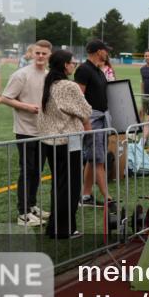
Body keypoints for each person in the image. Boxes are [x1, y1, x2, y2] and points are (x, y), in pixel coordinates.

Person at [37, 50, 92, 239]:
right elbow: (86, 109)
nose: (73, 66)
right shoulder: (69, 86)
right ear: (64, 65)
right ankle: (64, 228)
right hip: (68, 140)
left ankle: (56, 226)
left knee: (59, 184)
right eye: (72, 63)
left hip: (49, 140)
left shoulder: (48, 83)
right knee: (70, 186)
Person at [0, 40, 53, 227]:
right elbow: (5, 98)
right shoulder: (21, 75)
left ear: (49, 56)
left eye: (44, 54)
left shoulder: (49, 76)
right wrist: (26, 107)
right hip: (25, 131)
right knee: (27, 171)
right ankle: (22, 213)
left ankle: (31, 206)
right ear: (31, 54)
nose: (40, 56)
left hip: (44, 132)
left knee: (37, 171)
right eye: (37, 53)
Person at [75, 40, 112, 208]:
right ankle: (107, 198)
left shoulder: (98, 70)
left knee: (92, 159)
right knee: (98, 160)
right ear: (99, 51)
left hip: (101, 118)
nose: (107, 54)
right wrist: (86, 122)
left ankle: (86, 195)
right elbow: (79, 97)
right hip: (92, 120)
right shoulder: (84, 69)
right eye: (105, 50)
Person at [139, 53, 149, 117]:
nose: (147, 57)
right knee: (142, 112)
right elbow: (143, 82)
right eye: (146, 56)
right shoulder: (142, 68)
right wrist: (142, 94)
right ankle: (140, 127)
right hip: (145, 94)